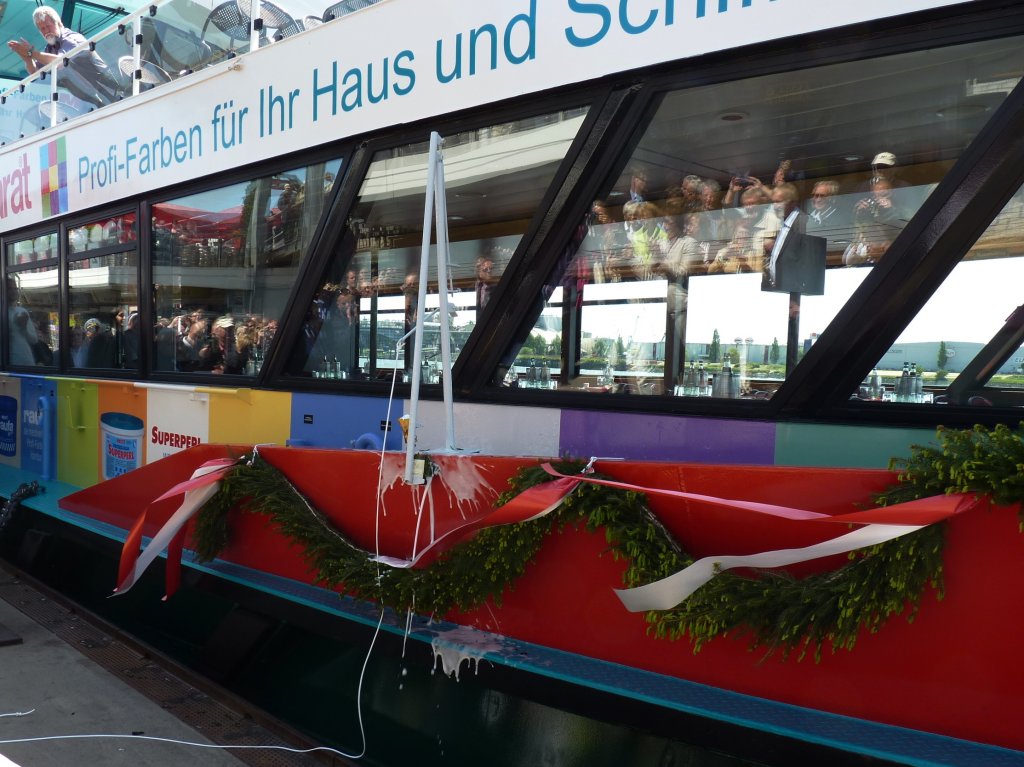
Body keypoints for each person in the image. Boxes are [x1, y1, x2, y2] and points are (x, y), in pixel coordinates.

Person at [7, 7, 120, 108]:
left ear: (59, 23)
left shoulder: (71, 38)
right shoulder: (50, 48)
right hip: (94, 100)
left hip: (114, 92)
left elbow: (61, 61)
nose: (46, 31)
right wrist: (27, 57)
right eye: (42, 29)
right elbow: (35, 72)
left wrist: (33, 53)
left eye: (48, 26)